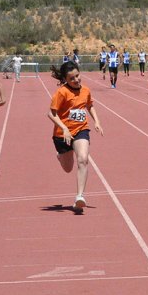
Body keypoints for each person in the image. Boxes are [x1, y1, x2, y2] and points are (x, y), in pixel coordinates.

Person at [48, 61, 103, 214]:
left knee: (83, 159)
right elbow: (51, 113)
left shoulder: (85, 90)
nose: (76, 80)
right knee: (68, 168)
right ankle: (61, 156)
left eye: (77, 76)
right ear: (66, 79)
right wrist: (64, 128)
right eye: (72, 78)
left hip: (81, 130)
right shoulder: (62, 92)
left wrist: (97, 121)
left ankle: (80, 196)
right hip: (62, 135)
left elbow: (90, 105)